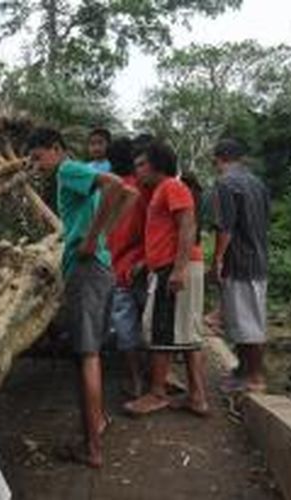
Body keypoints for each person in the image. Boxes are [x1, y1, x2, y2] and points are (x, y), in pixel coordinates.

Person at [27, 127, 138, 468]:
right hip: (99, 268)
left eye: (37, 156)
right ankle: (98, 423)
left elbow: (119, 187)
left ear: (57, 149)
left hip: (86, 269)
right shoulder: (75, 175)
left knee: (86, 356)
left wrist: (92, 238)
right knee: (92, 354)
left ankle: (92, 449)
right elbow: (130, 195)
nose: (36, 164)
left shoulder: (68, 170)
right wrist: (101, 234)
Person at [124, 141, 209, 417]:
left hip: (175, 268)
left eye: (141, 164)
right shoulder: (162, 190)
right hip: (171, 265)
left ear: (157, 164)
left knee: (162, 330)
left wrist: (178, 269)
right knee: (186, 332)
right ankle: (197, 396)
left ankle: (157, 393)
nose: (137, 171)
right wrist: (145, 262)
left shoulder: (172, 186)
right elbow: (167, 233)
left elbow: (187, 224)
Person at [210, 139, 270, 393]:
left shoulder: (225, 183)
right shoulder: (258, 183)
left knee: (248, 324)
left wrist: (218, 258)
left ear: (219, 158)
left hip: (240, 260)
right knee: (245, 320)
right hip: (258, 257)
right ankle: (243, 371)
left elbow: (226, 227)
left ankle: (254, 377)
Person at [105, 137, 149, 398]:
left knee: (125, 328)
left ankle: (134, 380)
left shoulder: (109, 190)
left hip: (118, 269)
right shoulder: (144, 189)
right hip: (143, 267)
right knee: (152, 325)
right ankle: (155, 375)